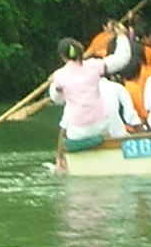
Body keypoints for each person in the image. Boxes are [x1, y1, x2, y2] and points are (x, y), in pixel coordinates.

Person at [47, 39, 116, 171]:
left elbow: (57, 99)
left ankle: (60, 161)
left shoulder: (60, 76)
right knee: (104, 126)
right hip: (102, 126)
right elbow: (120, 60)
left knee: (64, 130)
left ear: (62, 56)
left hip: (78, 133)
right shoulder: (93, 66)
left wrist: (54, 84)